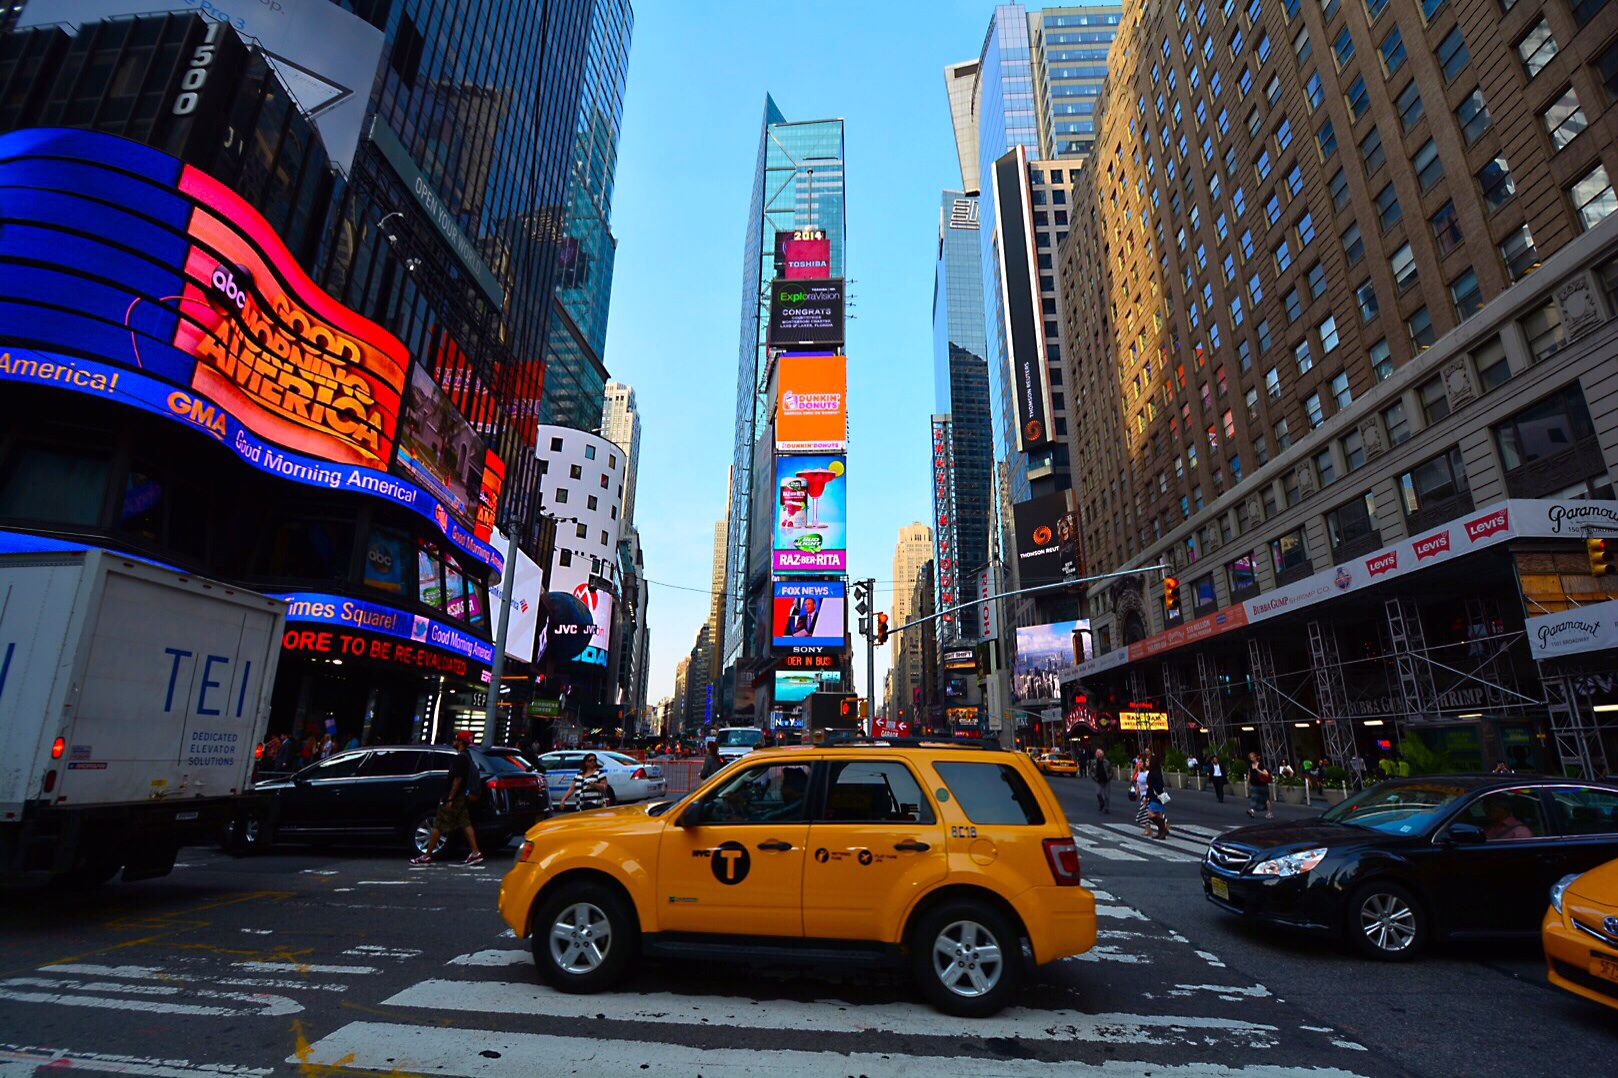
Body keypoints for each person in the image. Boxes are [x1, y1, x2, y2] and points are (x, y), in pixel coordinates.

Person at [411, 731, 483, 865]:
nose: (453, 741)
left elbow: (457, 779)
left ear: (460, 742)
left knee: (438, 824)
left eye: (455, 739)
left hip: (455, 797)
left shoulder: (460, 758)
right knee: (465, 823)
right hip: (462, 797)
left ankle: (426, 855)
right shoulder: (467, 756)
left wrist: (449, 798)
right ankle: (475, 852)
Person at [1144, 757, 1170, 840]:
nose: (1146, 762)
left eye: (1148, 761)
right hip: (1157, 796)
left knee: (1150, 813)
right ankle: (1161, 833)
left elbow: (1156, 786)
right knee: (1159, 814)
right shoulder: (1156, 773)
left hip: (1156, 796)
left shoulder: (1154, 774)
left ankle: (1163, 828)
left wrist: (1147, 794)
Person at [1247, 751, 1273, 819]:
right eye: (1250, 758)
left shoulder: (1260, 765)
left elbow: (1266, 774)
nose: (1252, 759)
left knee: (1266, 799)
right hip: (1254, 784)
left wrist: (1257, 769)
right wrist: (1248, 783)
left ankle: (1269, 813)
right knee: (1254, 797)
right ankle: (1251, 811)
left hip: (1262, 785)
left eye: (1253, 757)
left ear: (1256, 757)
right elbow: (1249, 775)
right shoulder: (1250, 766)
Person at [1134, 751, 1154, 836]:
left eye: (1142, 762)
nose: (1140, 764)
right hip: (1142, 795)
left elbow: (1151, 783)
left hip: (1147, 795)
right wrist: (1137, 789)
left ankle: (1150, 828)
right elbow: (1138, 782)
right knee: (1146, 813)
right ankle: (1148, 829)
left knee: (1145, 813)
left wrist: (1148, 788)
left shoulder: (1148, 773)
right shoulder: (1140, 773)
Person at [1092, 748, 1112, 815]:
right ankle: (1101, 803)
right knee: (1098, 793)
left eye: (1097, 753)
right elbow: (1090, 771)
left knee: (1107, 796)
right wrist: (1094, 777)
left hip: (1106, 781)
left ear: (1101, 755)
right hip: (1098, 780)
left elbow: (1111, 771)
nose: (1096, 755)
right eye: (1096, 753)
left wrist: (1109, 777)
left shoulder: (1107, 762)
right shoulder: (1094, 762)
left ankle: (1106, 809)